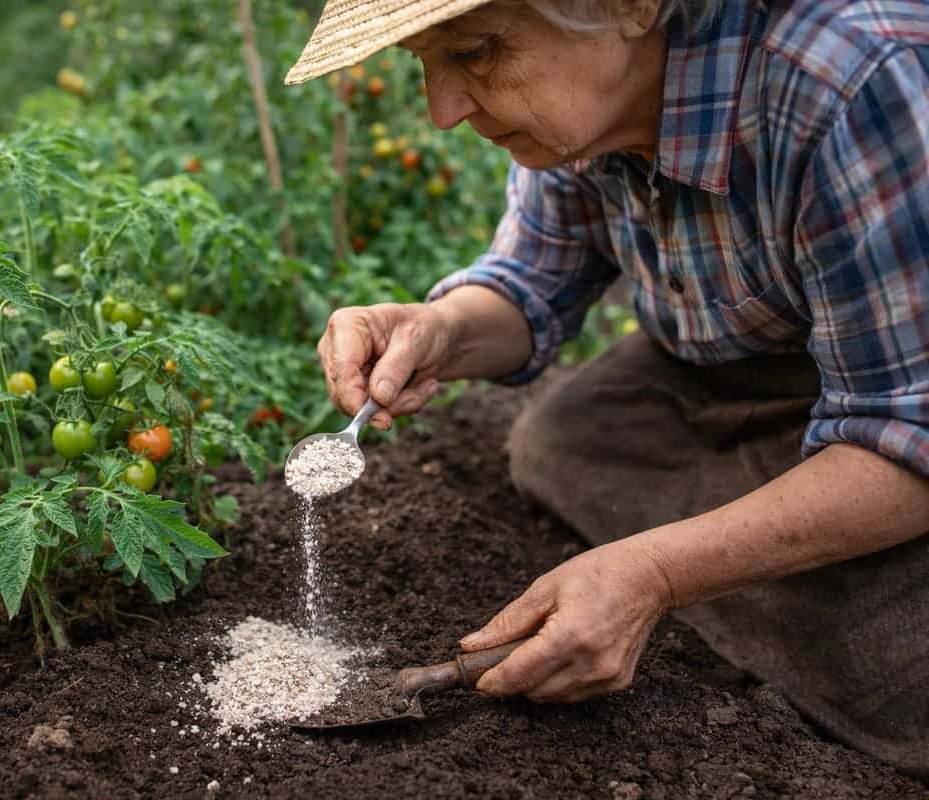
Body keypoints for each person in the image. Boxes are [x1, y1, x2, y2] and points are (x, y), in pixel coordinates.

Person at [285, 0, 929, 779]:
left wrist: (655, 572)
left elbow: (906, 424)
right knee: (563, 437)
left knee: (897, 676)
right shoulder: (588, 107)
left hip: (896, 386)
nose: (441, 111)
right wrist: (443, 328)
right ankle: (788, 538)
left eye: (475, 52)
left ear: (628, 6)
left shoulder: (850, 82)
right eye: (423, 63)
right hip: (753, 364)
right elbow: (533, 282)